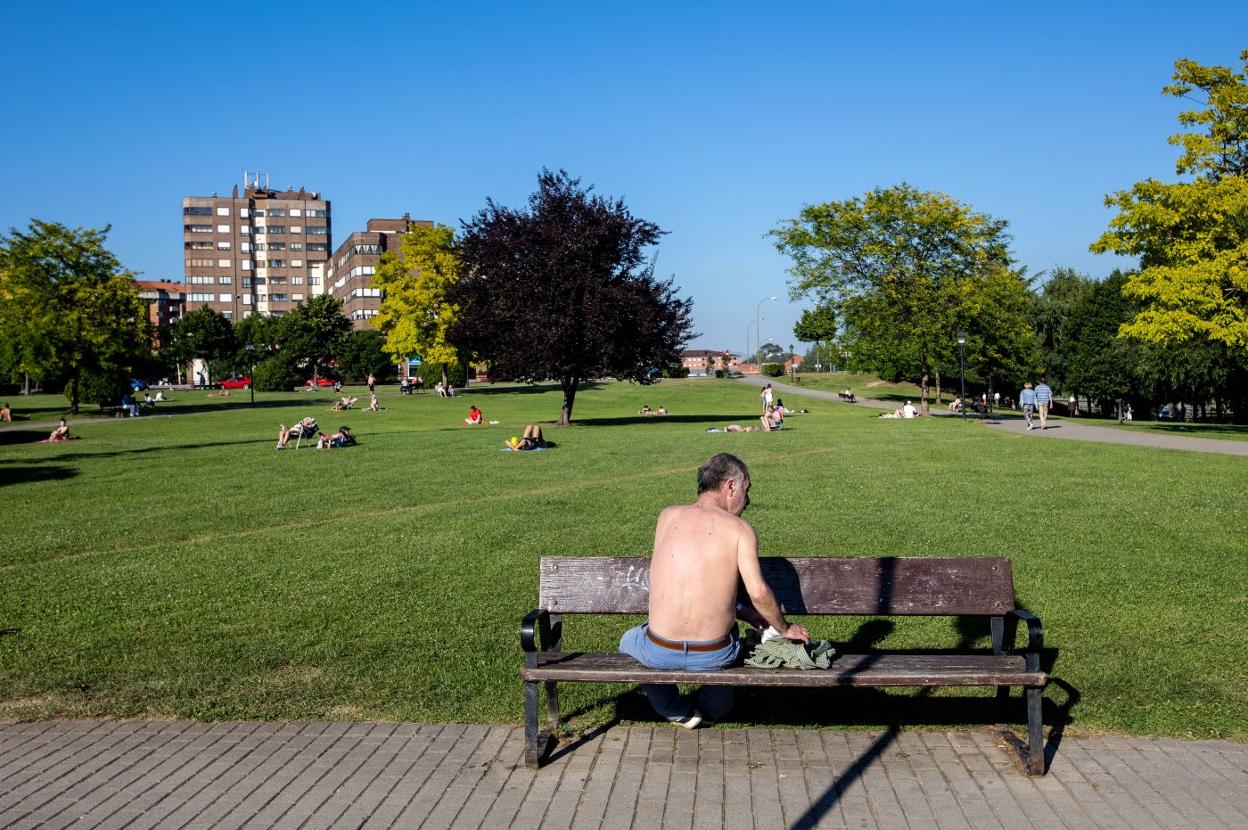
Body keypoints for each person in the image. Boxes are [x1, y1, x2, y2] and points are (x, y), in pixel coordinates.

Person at [619, 453, 809, 728]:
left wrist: (743, 612)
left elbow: (685, 585)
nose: (749, 500)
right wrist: (784, 628)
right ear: (730, 486)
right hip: (714, 654)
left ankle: (673, 709)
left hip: (659, 650)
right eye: (747, 490)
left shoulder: (667, 517)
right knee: (734, 646)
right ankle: (710, 711)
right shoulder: (740, 530)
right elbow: (757, 592)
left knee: (629, 641)